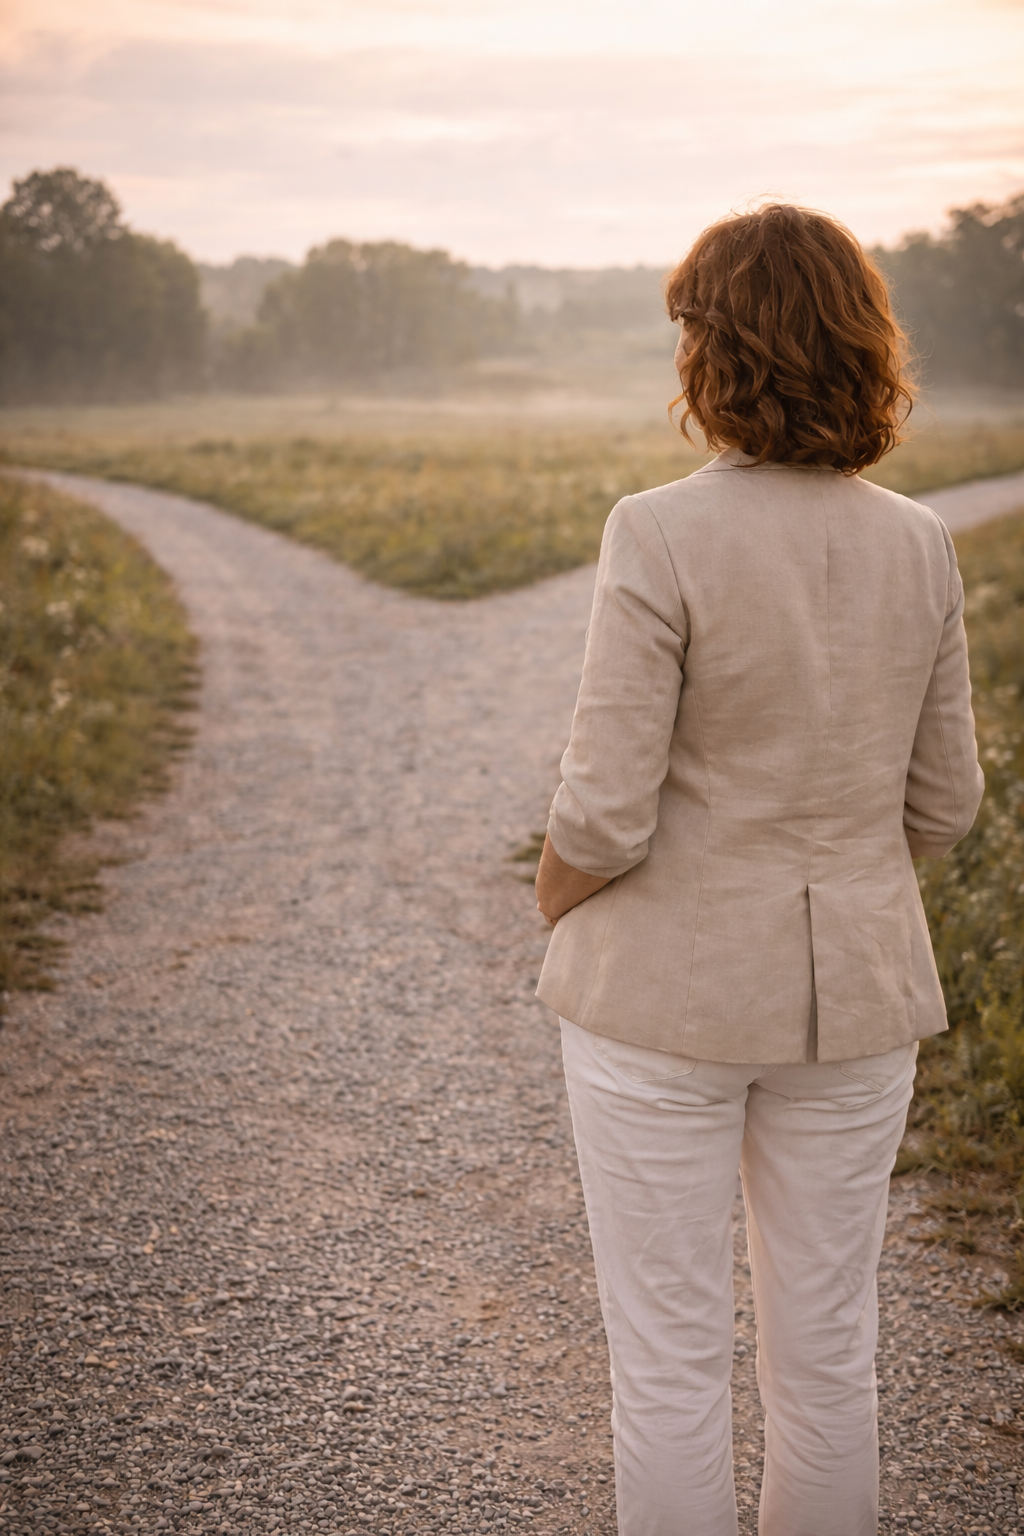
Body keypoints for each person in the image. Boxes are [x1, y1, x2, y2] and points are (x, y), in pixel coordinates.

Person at [533, 204, 984, 1536]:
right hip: (855, 1003)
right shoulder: (922, 544)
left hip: (661, 1004)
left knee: (670, 1368)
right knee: (829, 1362)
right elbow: (946, 800)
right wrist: (839, 882)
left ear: (714, 355)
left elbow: (604, 817)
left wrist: (552, 898)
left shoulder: (658, 531)